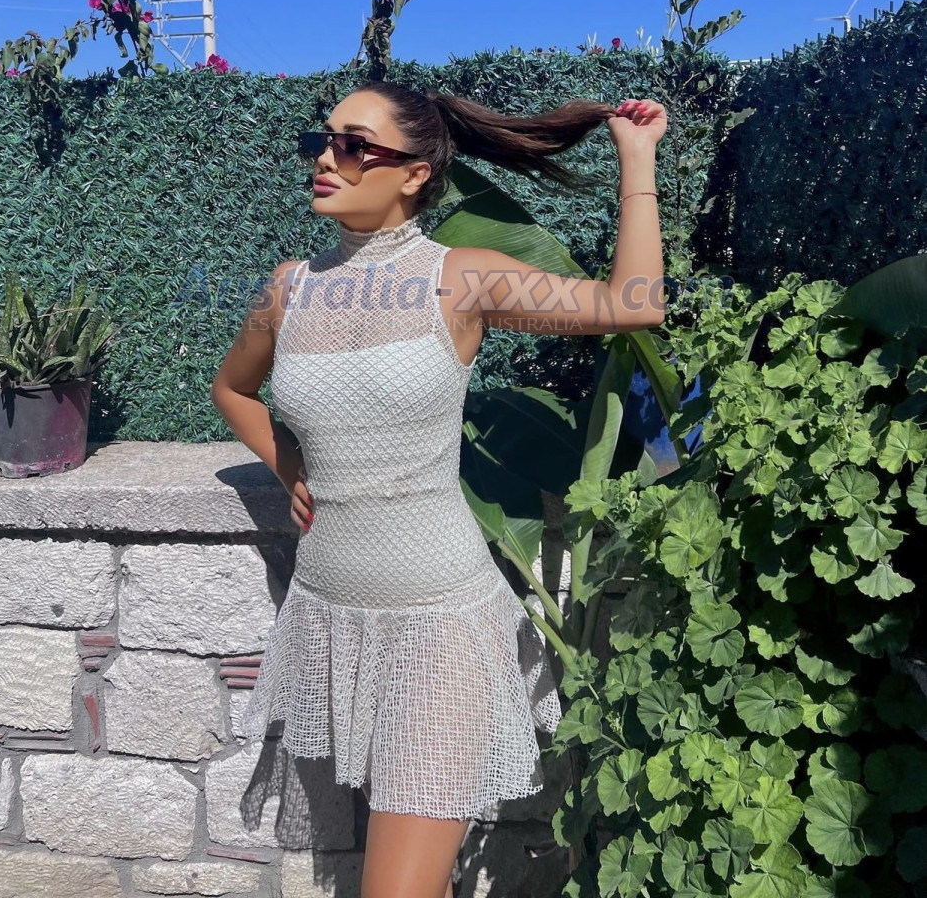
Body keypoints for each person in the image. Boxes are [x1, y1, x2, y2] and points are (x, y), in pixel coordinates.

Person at [210, 81, 667, 898]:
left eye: (354, 145)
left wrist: (637, 162)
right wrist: (288, 463)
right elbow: (233, 391)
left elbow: (631, 306)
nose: (326, 158)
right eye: (324, 140)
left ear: (415, 173)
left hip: (440, 626)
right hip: (331, 617)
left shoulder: (459, 279)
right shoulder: (289, 289)